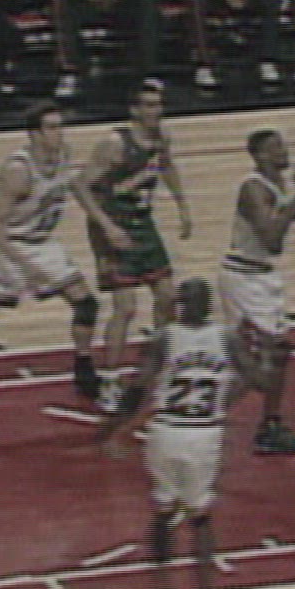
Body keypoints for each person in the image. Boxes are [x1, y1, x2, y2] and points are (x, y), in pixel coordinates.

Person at [0, 101, 133, 429]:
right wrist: (23, 265)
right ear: (34, 134)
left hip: (41, 243)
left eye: (61, 126)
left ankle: (84, 371)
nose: (60, 133)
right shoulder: (18, 170)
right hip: (8, 247)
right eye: (52, 128)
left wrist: (106, 224)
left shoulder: (63, 156)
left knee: (86, 303)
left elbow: (76, 188)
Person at [99, 276, 250, 589]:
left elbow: (139, 386)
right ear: (209, 304)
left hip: (167, 430)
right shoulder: (227, 338)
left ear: (181, 305)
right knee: (199, 516)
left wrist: (117, 428)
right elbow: (257, 375)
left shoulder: (165, 338)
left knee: (165, 511)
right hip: (204, 431)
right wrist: (226, 400)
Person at [218, 129, 295, 455]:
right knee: (262, 360)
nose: (282, 152)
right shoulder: (253, 188)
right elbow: (272, 239)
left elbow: (282, 213)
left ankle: (269, 425)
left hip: (262, 277)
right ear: (258, 156)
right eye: (274, 149)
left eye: (282, 146)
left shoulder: (275, 185)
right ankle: (202, 416)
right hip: (244, 277)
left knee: (277, 355)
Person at [80, 79, 193, 406]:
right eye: (149, 105)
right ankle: (110, 380)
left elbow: (166, 166)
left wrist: (182, 205)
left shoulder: (161, 138)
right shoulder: (115, 144)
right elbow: (80, 186)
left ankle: (159, 367)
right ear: (134, 110)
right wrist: (107, 227)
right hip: (112, 224)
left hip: (143, 223)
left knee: (168, 296)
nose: (157, 111)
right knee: (126, 308)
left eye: (159, 105)